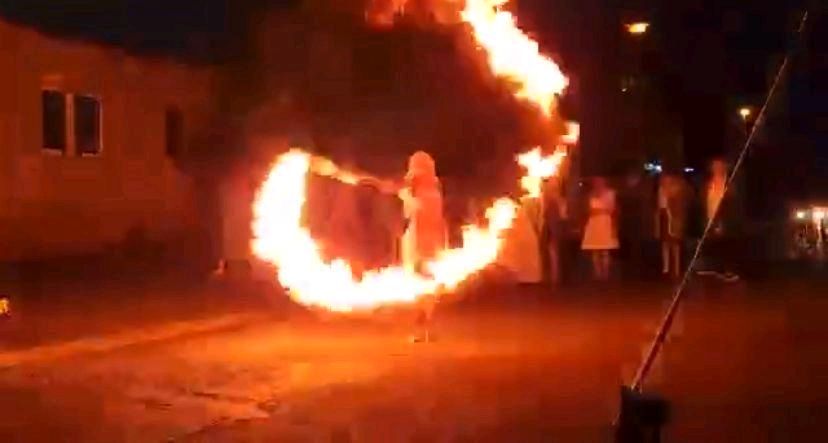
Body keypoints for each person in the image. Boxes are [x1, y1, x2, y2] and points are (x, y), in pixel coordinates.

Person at [697, 159, 740, 282]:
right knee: (711, 243)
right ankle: (713, 268)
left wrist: (722, 221)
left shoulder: (729, 184)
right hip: (710, 218)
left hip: (723, 219)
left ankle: (728, 271)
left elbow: (731, 205)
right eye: (714, 167)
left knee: (725, 245)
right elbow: (705, 201)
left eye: (719, 167)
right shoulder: (709, 184)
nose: (716, 169)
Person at [581, 177, 619, 281]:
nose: (598, 184)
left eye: (600, 182)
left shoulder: (610, 193)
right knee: (595, 249)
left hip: (605, 222)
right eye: (596, 182)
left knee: (605, 249)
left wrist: (600, 211)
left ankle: (605, 273)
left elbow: (612, 210)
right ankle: (597, 273)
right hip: (594, 223)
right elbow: (588, 210)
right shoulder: (591, 194)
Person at [654, 174, 691, 279]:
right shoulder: (660, 191)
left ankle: (676, 267)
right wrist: (657, 222)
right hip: (664, 216)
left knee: (675, 243)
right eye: (663, 180)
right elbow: (659, 207)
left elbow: (679, 207)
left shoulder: (676, 191)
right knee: (665, 243)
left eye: (667, 180)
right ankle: (666, 267)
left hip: (674, 218)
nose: (665, 182)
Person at [544, 177, 567, 285]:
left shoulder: (560, 201)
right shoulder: (545, 200)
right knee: (550, 253)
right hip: (548, 228)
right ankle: (552, 278)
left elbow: (563, 216)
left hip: (556, 229)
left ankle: (555, 279)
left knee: (555, 253)